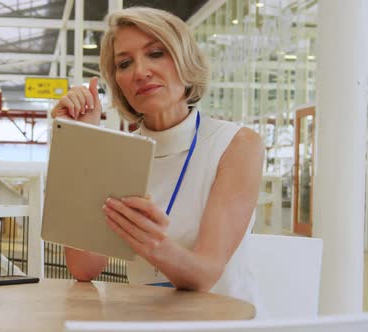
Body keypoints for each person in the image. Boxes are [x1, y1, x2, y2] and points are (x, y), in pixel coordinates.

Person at [50, 7, 265, 312]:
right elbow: (85, 268)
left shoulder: (237, 144)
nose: (140, 72)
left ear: (184, 60)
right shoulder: (122, 154)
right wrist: (81, 142)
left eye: (155, 53)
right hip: (145, 319)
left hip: (221, 321)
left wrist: (150, 242)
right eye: (124, 63)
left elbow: (205, 274)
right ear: (118, 82)